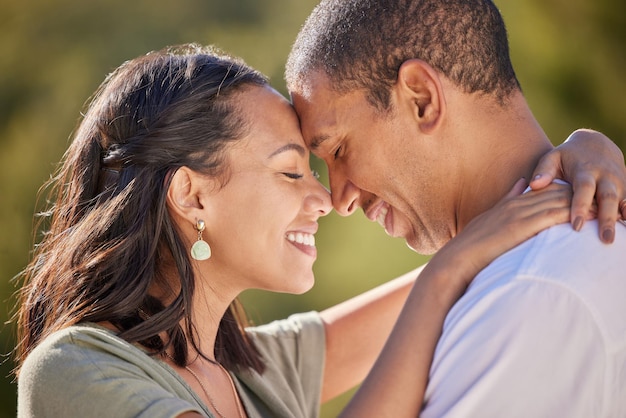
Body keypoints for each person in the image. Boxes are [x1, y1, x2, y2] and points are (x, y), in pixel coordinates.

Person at [12, 45, 621, 418]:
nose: (326, 198)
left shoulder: (253, 371)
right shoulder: (73, 372)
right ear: (192, 194)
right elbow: (453, 274)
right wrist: (444, 275)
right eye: (289, 171)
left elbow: (493, 249)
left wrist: (568, 161)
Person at [285, 0, 626, 416]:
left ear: (422, 99)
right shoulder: (533, 273)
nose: (339, 201)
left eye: (339, 149)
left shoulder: (527, 296)